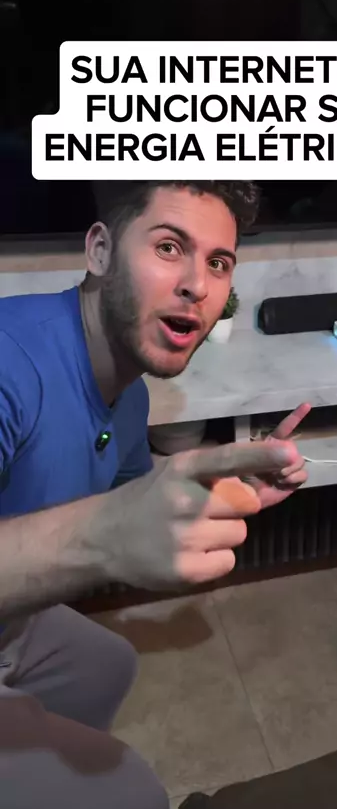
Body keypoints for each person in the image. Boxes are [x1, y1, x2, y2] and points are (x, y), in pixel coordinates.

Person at [0, 180, 311, 808]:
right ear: (100, 251)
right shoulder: (10, 364)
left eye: (218, 262)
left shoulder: (130, 393)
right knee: (134, 793)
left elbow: (130, 494)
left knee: (107, 666)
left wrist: (216, 487)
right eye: (170, 247)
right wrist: (103, 535)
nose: (198, 284)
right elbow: (110, 522)